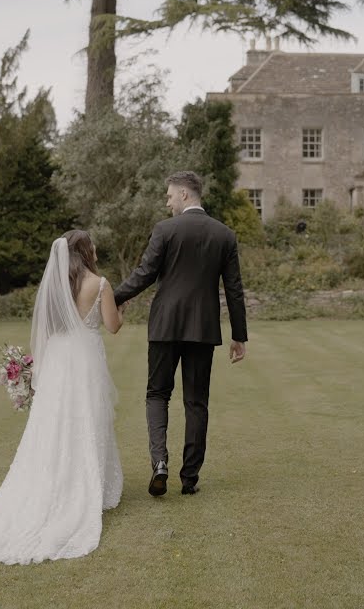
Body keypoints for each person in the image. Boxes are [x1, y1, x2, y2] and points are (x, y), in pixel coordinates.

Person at [0, 230, 124, 563]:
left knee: (54, 422)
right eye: (93, 245)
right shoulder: (99, 284)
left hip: (59, 361)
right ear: (85, 251)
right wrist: (120, 309)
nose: (97, 249)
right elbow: (113, 326)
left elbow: (46, 329)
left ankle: (56, 479)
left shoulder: (55, 285)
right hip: (84, 360)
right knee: (88, 416)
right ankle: (84, 485)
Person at [114, 171, 248, 497]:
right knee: (196, 402)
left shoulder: (165, 230)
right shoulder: (224, 235)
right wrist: (239, 336)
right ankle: (189, 479)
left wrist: (113, 298)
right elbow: (234, 290)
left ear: (186, 195)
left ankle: (159, 463)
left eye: (170, 195)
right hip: (202, 329)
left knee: (157, 394)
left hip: (164, 326)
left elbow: (144, 274)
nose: (167, 201)